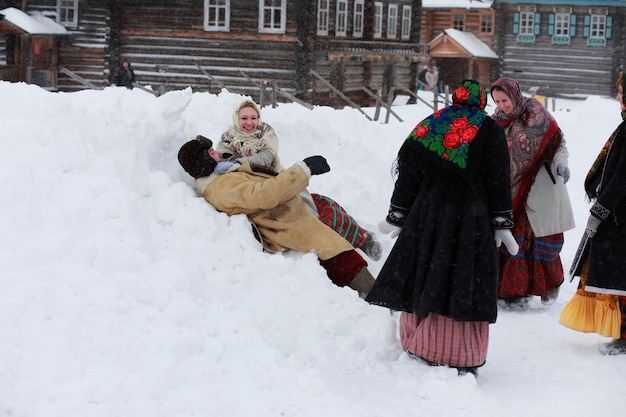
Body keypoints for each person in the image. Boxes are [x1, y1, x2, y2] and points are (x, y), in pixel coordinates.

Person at [365, 80, 518, 377]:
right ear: (481, 103)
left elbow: (407, 172)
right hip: (470, 219)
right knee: (460, 278)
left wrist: (398, 214)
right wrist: (501, 223)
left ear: (454, 99)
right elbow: (499, 181)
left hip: (427, 213)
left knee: (425, 270)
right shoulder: (490, 130)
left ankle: (419, 341)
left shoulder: (431, 124)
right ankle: (454, 350)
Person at [177, 136, 376, 298]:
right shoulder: (221, 187)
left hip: (283, 207)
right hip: (280, 222)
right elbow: (265, 194)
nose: (217, 153)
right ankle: (372, 290)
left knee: (328, 206)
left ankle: (363, 240)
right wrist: (304, 170)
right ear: (203, 162)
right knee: (331, 246)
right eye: (211, 153)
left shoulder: (222, 173)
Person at [213, 99, 382, 261]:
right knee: (307, 223)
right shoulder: (228, 137)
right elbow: (219, 157)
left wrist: (235, 164)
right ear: (236, 118)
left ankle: (363, 240)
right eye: (244, 118)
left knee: (323, 208)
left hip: (280, 183)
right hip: (258, 195)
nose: (249, 122)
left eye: (253, 118)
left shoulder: (266, 133)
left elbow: (265, 158)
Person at [490, 77, 575, 307]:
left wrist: (560, 163)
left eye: (504, 100)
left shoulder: (537, 116)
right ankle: (513, 292)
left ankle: (550, 285)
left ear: (515, 96)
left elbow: (559, 143)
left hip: (540, 189)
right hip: (510, 191)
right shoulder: (495, 122)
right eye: (497, 101)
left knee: (542, 243)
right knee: (512, 242)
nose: (501, 106)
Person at [559, 72, 626, 355]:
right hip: (620, 212)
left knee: (621, 277)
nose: (618, 96)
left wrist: (599, 211)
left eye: (621, 91)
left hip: (621, 215)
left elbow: (623, 176)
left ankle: (624, 337)